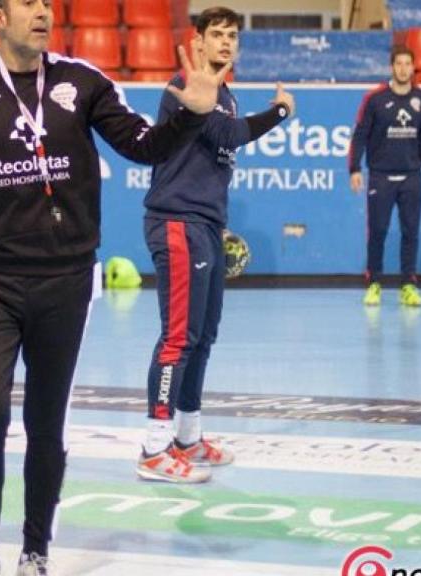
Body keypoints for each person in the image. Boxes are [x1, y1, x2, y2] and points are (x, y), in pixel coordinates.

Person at [0, 0, 229, 572]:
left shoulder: (83, 82)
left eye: (48, 3)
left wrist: (192, 116)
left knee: (45, 423)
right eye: (28, 3)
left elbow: (143, 146)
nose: (43, 12)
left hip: (64, 279)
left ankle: (35, 549)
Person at [137, 6, 295, 484]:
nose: (225, 43)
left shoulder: (225, 94)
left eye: (232, 36)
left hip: (204, 224)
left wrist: (218, 224)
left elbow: (217, 157)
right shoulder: (185, 87)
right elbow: (232, 134)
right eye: (217, 35)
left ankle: (188, 436)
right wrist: (282, 110)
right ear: (198, 41)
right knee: (178, 337)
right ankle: (152, 449)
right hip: (176, 222)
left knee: (203, 337)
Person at [348, 45, 421, 307]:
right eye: (398, 64)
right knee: (378, 231)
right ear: (392, 67)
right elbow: (360, 136)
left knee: (411, 232)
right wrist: (354, 169)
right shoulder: (375, 99)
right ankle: (374, 283)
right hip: (380, 176)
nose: (402, 69)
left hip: (412, 177)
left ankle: (408, 285)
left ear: (413, 68)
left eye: (407, 64)